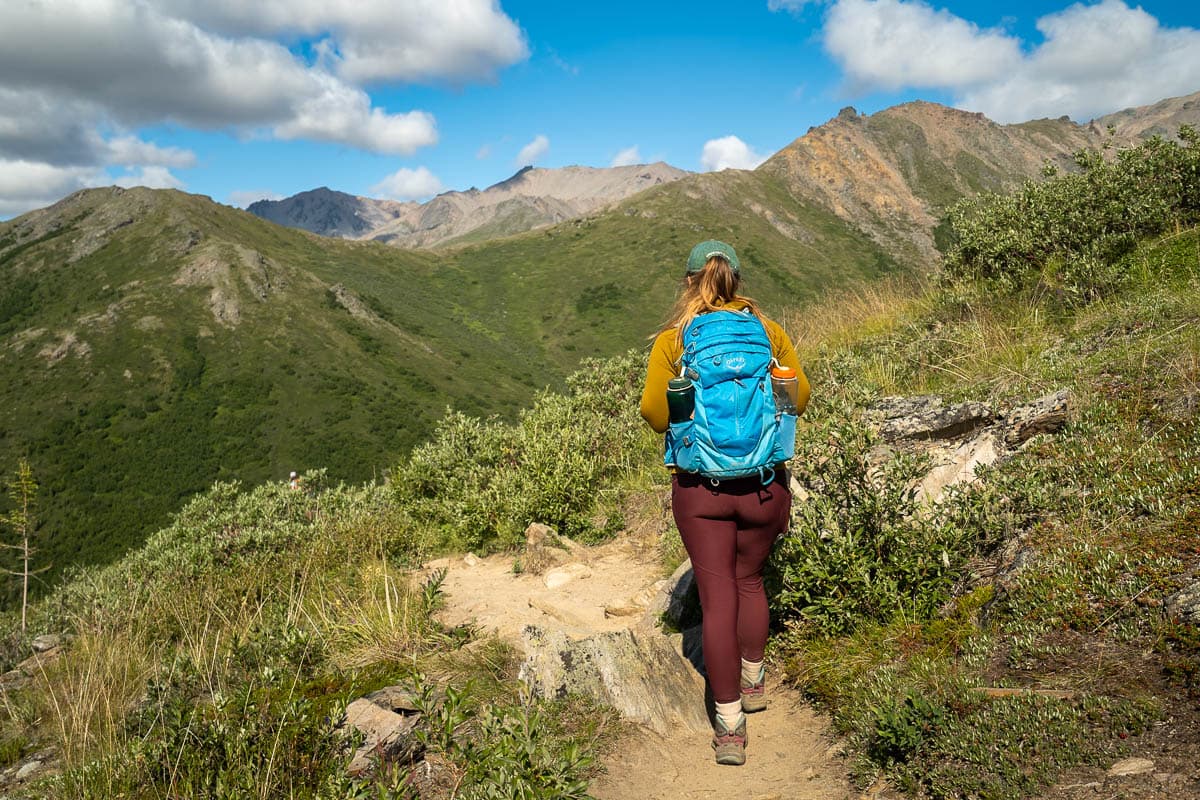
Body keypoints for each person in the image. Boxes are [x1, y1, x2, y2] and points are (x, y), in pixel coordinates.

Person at [639, 240, 810, 766]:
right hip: (764, 485)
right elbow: (798, 398)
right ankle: (754, 680)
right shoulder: (769, 331)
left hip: (700, 489)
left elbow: (653, 412)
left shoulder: (675, 340)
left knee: (716, 599)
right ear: (735, 279)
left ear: (691, 282)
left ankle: (730, 726)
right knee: (750, 580)